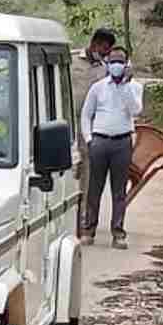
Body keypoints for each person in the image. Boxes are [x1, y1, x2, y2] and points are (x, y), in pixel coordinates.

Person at [79, 46, 143, 250]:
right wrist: (89, 139)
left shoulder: (135, 87)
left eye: (121, 61)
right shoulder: (98, 87)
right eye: (113, 61)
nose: (117, 65)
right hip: (99, 141)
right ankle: (89, 230)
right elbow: (86, 114)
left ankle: (118, 232)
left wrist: (124, 86)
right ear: (107, 63)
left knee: (119, 190)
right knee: (94, 188)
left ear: (127, 65)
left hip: (122, 142)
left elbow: (136, 110)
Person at [69, 29, 117, 233]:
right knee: (66, 167)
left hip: (90, 125)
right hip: (66, 121)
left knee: (87, 170)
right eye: (103, 49)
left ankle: (83, 216)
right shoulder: (70, 60)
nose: (105, 54)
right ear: (94, 43)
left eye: (108, 52)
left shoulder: (105, 69)